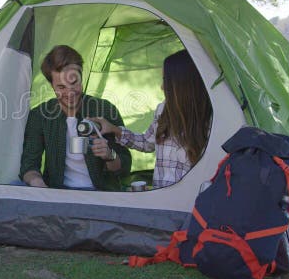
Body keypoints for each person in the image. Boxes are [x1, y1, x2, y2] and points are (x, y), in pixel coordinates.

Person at [90, 49, 212, 188]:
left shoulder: (210, 119)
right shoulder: (163, 110)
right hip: (159, 198)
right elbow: (147, 143)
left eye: (166, 81)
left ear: (182, 84)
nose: (161, 87)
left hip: (189, 201)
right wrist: (113, 129)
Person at [19, 45, 131, 191]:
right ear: (52, 86)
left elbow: (125, 167)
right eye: (61, 87)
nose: (70, 93)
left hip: (102, 194)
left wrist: (110, 156)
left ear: (81, 78)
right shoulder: (40, 116)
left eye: (74, 84)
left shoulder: (105, 110)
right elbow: (29, 166)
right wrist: (39, 185)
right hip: (59, 192)